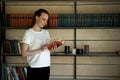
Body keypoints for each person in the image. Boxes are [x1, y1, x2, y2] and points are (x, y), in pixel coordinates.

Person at [21, 9, 51, 80]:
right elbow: (24, 53)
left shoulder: (46, 33)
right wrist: (40, 49)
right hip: (34, 68)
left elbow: (48, 50)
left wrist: (53, 46)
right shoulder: (28, 33)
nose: (45, 22)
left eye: (46, 20)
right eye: (43, 19)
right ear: (36, 17)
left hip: (46, 66)